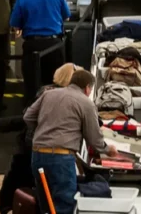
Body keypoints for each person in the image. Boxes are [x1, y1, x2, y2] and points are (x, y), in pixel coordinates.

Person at [24, 69, 117, 214]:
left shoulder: (48, 94)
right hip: (60, 159)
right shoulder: (85, 103)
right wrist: (107, 149)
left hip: (38, 155)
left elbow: (28, 117)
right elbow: (94, 138)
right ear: (87, 88)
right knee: (64, 205)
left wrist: (43, 131)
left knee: (45, 206)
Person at [9, 0, 70, 98]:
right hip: (54, 45)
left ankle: (32, 114)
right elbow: (67, 16)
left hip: (33, 45)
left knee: (32, 85)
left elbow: (15, 24)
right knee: (55, 83)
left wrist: (19, 28)